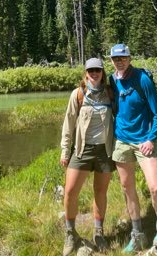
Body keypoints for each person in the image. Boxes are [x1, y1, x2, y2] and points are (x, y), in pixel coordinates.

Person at [109, 44, 157, 253]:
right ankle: (137, 235)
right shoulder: (112, 80)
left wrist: (151, 139)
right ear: (111, 60)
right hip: (121, 142)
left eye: (123, 58)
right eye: (116, 59)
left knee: (156, 187)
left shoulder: (143, 78)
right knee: (128, 189)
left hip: (144, 140)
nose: (120, 61)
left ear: (129, 57)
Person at [60, 58, 115, 255]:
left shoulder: (110, 93)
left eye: (97, 70)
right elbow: (69, 124)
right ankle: (70, 233)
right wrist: (65, 151)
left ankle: (98, 233)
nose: (94, 73)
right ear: (85, 73)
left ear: (102, 72)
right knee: (70, 191)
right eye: (90, 70)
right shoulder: (78, 94)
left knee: (100, 192)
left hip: (105, 151)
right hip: (82, 150)